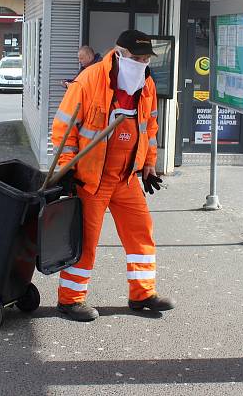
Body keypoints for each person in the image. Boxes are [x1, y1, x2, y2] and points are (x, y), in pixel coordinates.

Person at [51, 30, 176, 322]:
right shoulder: (88, 81)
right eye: (136, 58)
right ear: (119, 54)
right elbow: (64, 129)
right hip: (92, 179)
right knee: (85, 241)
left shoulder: (145, 85)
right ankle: (70, 300)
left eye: (146, 58)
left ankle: (142, 294)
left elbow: (150, 126)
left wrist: (148, 164)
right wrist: (67, 169)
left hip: (127, 178)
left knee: (141, 232)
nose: (142, 63)